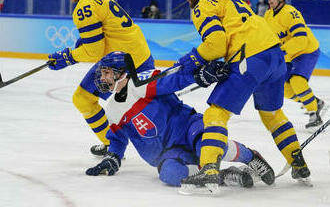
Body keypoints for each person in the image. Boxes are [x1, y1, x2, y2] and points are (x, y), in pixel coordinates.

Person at [176, 0, 310, 191]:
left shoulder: (201, 7)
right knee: (273, 114)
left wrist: (191, 59)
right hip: (275, 56)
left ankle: (209, 169)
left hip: (250, 58)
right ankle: (298, 162)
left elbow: (216, 44)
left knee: (216, 112)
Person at [85, 51, 275, 190]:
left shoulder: (141, 82)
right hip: (169, 153)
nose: (102, 78)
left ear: (122, 73)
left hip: (188, 127)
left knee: (206, 144)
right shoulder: (112, 109)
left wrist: (196, 76)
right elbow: (117, 139)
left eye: (107, 73)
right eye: (102, 73)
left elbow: (173, 80)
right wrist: (113, 158)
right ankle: (225, 176)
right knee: (169, 175)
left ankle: (251, 156)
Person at [47, 0, 154, 156]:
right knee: (139, 106)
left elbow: (93, 52)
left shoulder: (84, 7)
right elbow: (104, 35)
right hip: (139, 56)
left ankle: (112, 144)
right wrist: (85, 42)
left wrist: (67, 57)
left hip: (125, 62)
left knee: (85, 99)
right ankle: (113, 144)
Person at [264, 0, 328, 130]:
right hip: (289, 55)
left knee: (297, 81)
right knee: (284, 89)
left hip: (305, 51)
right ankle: (315, 102)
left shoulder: (290, 13)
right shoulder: (268, 15)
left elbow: (301, 39)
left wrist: (280, 52)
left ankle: (314, 114)